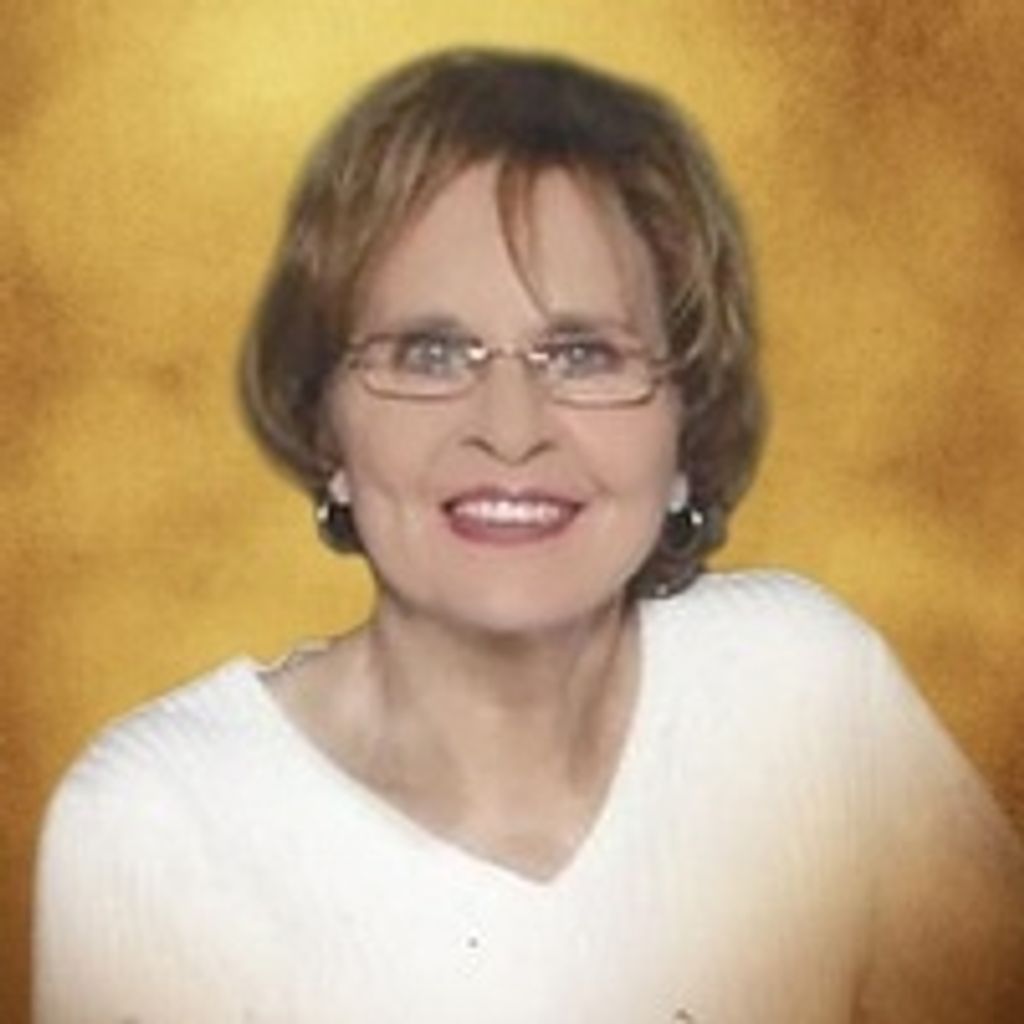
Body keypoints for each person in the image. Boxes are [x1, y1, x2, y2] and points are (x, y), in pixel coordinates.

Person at [33, 48, 1024, 1024]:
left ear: (685, 426)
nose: (509, 430)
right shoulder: (162, 821)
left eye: (582, 353)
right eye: (429, 353)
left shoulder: (802, 688)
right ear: (327, 426)